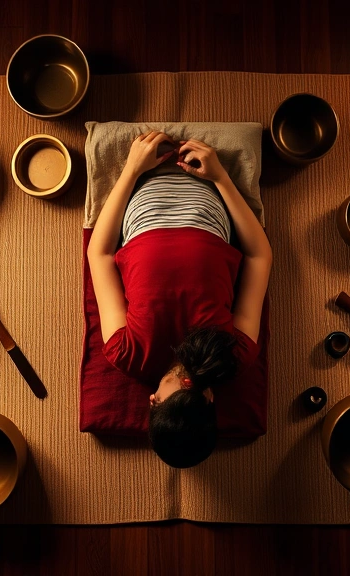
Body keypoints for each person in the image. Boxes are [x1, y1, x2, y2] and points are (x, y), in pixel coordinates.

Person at [87, 131, 272, 468]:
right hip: (209, 204)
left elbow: (99, 254)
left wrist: (130, 170)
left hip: (142, 204)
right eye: (194, 387)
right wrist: (222, 177)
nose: (187, 377)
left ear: (153, 400)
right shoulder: (235, 356)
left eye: (179, 387)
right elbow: (259, 256)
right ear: (210, 397)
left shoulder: (126, 354)